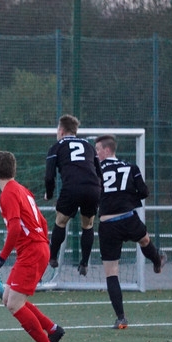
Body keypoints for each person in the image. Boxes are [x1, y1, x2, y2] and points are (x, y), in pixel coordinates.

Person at [0, 151, 67, 342]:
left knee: (14, 303)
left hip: (32, 250)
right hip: (34, 248)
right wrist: (42, 247)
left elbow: (14, 227)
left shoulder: (8, 193)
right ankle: (52, 329)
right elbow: (42, 221)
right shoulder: (23, 190)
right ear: (13, 170)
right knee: (8, 298)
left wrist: (2, 258)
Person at [93, 135, 164, 329]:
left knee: (111, 272)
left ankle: (121, 318)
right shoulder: (131, 167)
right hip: (128, 218)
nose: (96, 153)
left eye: (98, 149)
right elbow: (144, 192)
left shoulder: (95, 170)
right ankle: (157, 261)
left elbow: (92, 194)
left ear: (107, 150)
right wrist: (127, 197)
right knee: (144, 240)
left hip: (107, 224)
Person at [45, 114, 102, 275]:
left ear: (62, 131)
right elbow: (99, 172)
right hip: (92, 188)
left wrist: (49, 194)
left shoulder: (56, 147)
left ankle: (53, 257)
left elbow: (49, 176)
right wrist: (100, 192)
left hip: (71, 187)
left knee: (61, 221)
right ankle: (84, 263)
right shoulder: (89, 146)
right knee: (88, 225)